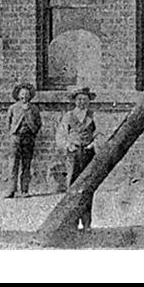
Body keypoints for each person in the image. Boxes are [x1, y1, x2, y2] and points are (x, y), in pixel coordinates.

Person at [57, 86, 98, 231]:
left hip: (87, 153)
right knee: (73, 186)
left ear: (89, 101)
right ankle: (72, 222)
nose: (82, 102)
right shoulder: (68, 116)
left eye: (85, 100)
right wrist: (68, 145)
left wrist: (93, 144)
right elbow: (61, 135)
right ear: (75, 101)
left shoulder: (92, 116)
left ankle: (86, 223)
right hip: (73, 154)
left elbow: (100, 134)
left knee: (87, 187)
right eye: (79, 99)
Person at [4, 82, 41, 199]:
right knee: (13, 164)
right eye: (22, 94)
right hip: (16, 138)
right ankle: (11, 190)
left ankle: (24, 190)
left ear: (30, 96)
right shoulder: (13, 108)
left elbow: (39, 123)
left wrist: (33, 132)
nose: (24, 96)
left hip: (28, 138)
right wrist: (12, 133)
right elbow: (8, 123)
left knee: (26, 164)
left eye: (27, 94)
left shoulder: (34, 109)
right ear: (18, 95)